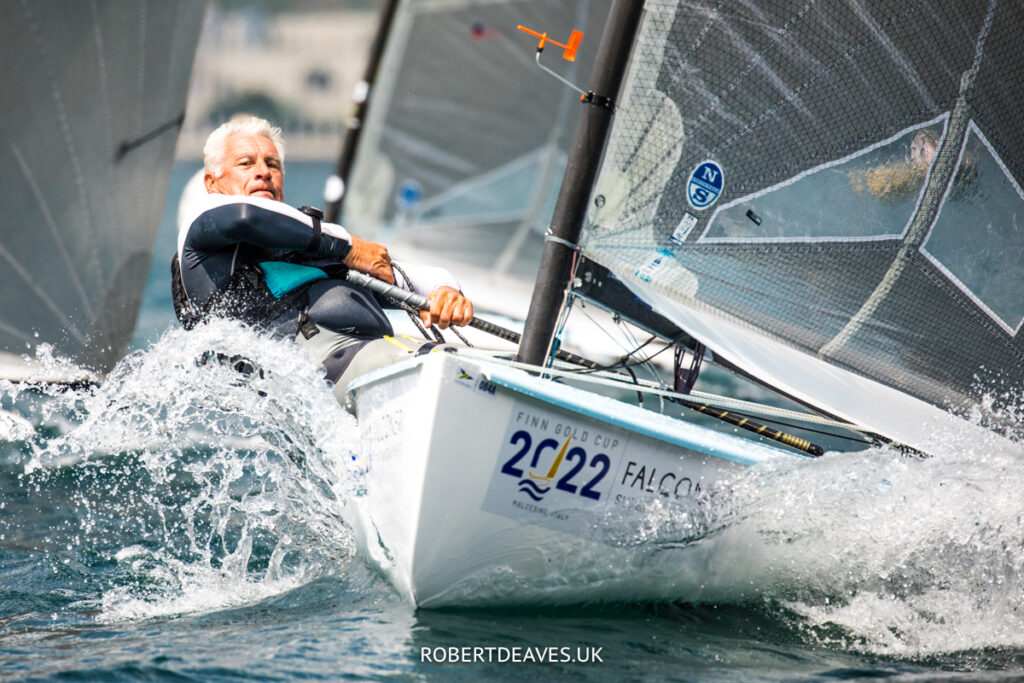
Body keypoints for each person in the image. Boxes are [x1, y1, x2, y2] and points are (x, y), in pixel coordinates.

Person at [173, 116, 474, 399]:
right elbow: (245, 217)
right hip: (322, 382)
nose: (263, 171)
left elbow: (420, 279)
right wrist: (349, 247)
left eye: (272, 164)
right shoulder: (201, 230)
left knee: (462, 368)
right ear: (213, 184)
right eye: (245, 163)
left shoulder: (310, 248)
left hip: (374, 366)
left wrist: (447, 293)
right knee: (451, 373)